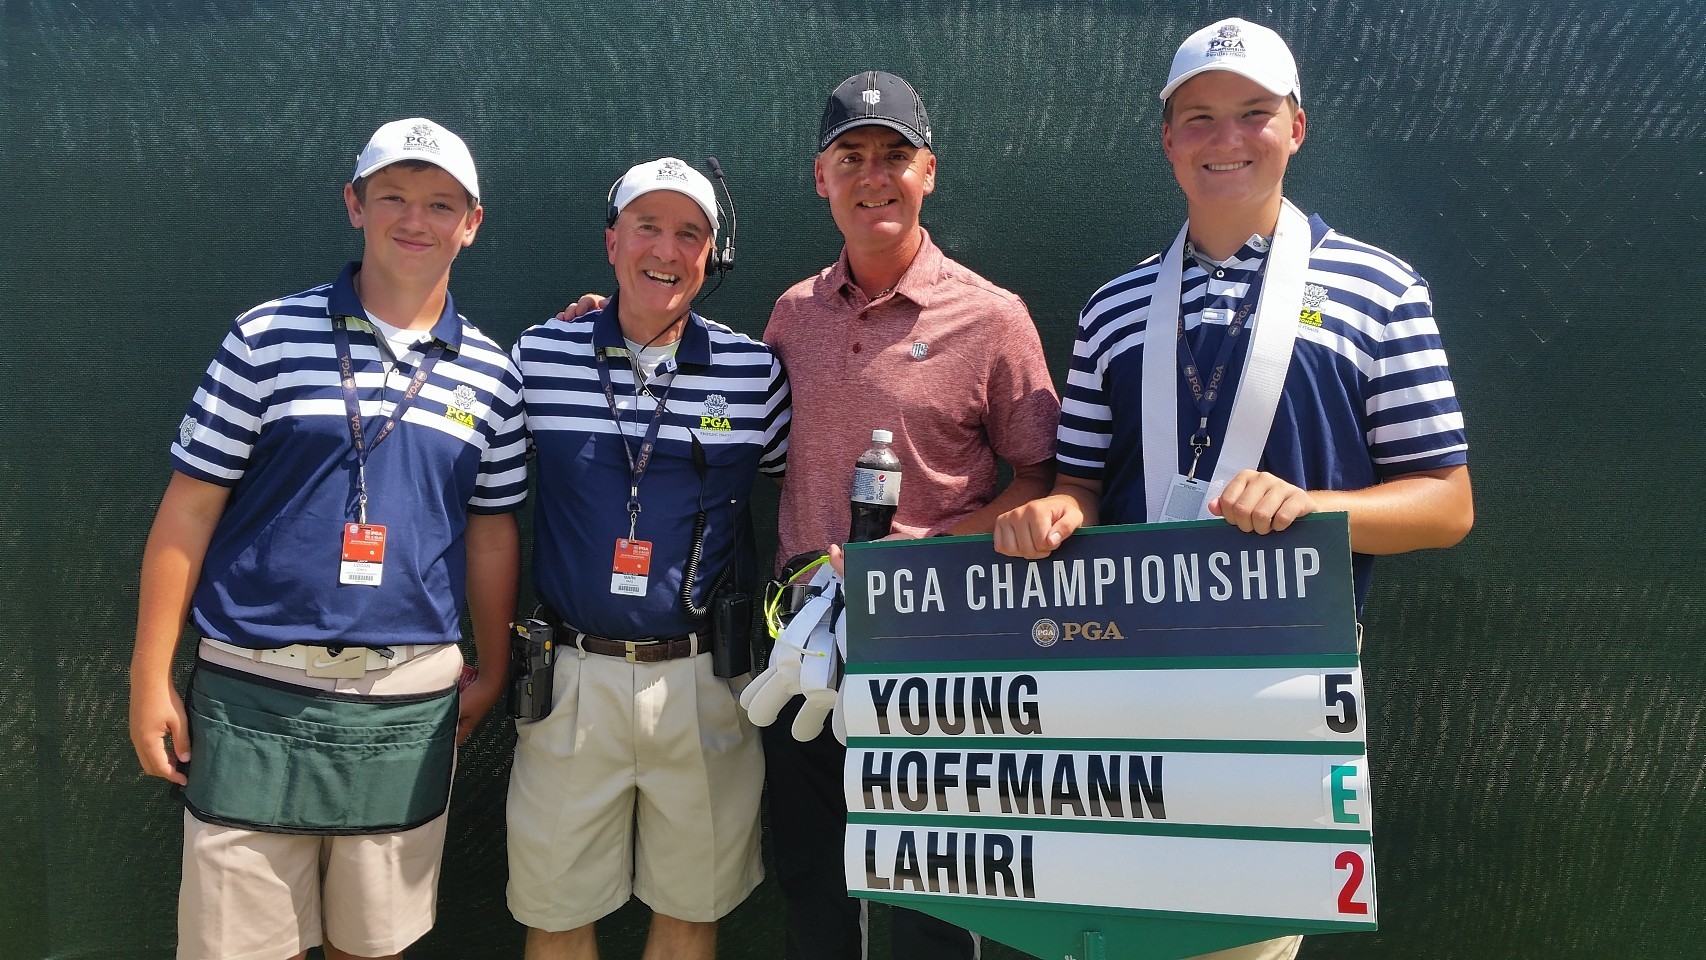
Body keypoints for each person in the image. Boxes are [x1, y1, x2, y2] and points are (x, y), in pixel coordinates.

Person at [993, 18, 1474, 960]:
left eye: (1253, 114)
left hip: (1280, 676)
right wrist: (1059, 510)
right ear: (1168, 139)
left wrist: (1312, 507)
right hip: (1116, 664)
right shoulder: (1115, 304)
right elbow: (1085, 481)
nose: (1226, 140)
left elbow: (1447, 503)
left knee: (1234, 941)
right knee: (1105, 929)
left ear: (1296, 126)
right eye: (1199, 118)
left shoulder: (1381, 288)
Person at [127, 117, 525, 960]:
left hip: (408, 698)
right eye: (393, 198)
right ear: (355, 204)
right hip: (251, 689)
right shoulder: (264, 338)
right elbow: (188, 510)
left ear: (472, 222)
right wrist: (148, 675)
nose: (414, 221)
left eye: (439, 204)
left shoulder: (494, 373)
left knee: (371, 947)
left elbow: (491, 536)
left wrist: (490, 669)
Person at [761, 71, 1060, 960]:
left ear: (928, 170)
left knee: (934, 902)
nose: (873, 176)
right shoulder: (791, 314)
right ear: (822, 179)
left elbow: (1041, 483)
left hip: (938, 651)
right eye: (851, 157)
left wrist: (922, 557)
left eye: (894, 156)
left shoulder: (992, 317)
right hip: (799, 648)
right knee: (817, 891)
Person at [506, 157, 790, 960]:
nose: (666, 250)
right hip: (571, 675)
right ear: (612, 240)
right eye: (647, 227)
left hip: (705, 679)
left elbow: (790, 489)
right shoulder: (541, 357)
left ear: (713, 256)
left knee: (690, 913)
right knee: (556, 914)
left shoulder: (754, 373)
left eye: (689, 233)